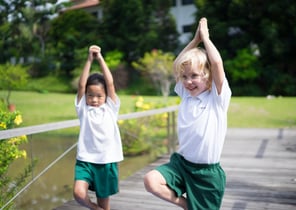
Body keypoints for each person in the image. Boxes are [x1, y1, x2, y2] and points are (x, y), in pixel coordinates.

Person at [143, 17, 232, 210]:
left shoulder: (216, 99)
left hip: (207, 174)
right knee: (151, 180)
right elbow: (177, 64)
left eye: (194, 76)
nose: (188, 81)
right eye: (184, 77)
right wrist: (195, 41)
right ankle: (187, 205)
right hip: (182, 165)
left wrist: (206, 39)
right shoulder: (186, 94)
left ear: (207, 78)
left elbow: (216, 64)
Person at [73, 45, 123, 210]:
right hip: (85, 160)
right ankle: (95, 208)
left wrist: (100, 58)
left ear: (106, 96)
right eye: (90, 95)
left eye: (99, 96)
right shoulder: (83, 109)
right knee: (79, 194)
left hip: (106, 160)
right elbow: (81, 86)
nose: (94, 100)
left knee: (104, 202)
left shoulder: (110, 107)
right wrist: (89, 59)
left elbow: (110, 83)